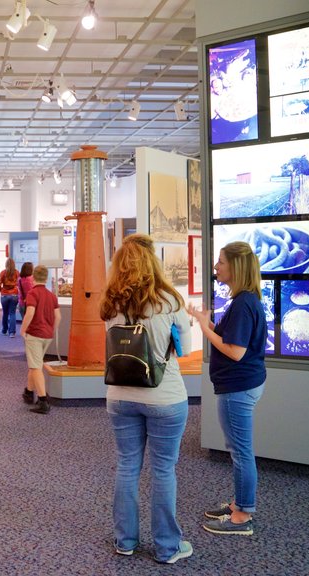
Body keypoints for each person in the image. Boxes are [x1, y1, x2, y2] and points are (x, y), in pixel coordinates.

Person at [99, 234, 193, 564]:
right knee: (163, 471)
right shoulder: (170, 301)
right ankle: (167, 547)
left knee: (127, 466)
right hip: (165, 397)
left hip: (120, 396)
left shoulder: (110, 303)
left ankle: (125, 540)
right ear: (153, 261)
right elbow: (186, 350)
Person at [186, 240, 267, 537]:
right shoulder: (244, 301)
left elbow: (235, 351)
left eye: (221, 262)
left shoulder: (244, 303)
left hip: (238, 388)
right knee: (239, 450)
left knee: (241, 452)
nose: (216, 266)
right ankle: (239, 504)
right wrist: (205, 320)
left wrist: (205, 328)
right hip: (242, 385)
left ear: (236, 266)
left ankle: (243, 514)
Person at [19, 265, 59, 415]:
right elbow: (58, 317)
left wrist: (23, 330)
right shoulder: (52, 296)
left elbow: (30, 312)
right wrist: (51, 330)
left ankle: (43, 401)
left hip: (35, 335)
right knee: (34, 363)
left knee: (36, 367)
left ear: (33, 277)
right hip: (47, 336)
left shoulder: (32, 293)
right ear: (46, 278)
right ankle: (29, 392)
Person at [0, 258, 20, 337]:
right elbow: (18, 284)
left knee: (5, 313)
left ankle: (4, 330)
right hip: (14, 295)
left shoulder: (3, 273)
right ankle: (12, 332)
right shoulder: (17, 272)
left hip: (4, 295)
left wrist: (2, 291)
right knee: (12, 313)